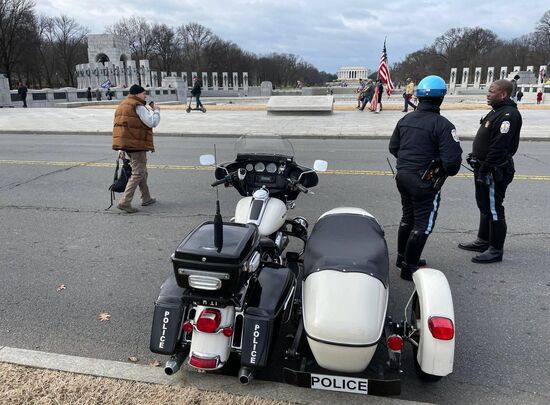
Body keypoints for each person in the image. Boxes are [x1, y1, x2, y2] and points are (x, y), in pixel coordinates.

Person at [389, 75, 462, 280]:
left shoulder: (405, 119)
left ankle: (402, 257)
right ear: (441, 98)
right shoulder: (443, 125)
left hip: (403, 176)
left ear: (418, 96)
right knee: (423, 224)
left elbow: (393, 147)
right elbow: (452, 164)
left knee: (407, 217)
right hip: (424, 181)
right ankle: (409, 267)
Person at [458, 79, 522, 263]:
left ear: (503, 94)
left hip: (495, 170)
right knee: (484, 205)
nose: (488, 94)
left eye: (492, 91)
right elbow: (487, 139)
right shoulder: (496, 111)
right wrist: (475, 156)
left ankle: (495, 249)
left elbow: (499, 147)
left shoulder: (509, 115)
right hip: (483, 166)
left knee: (494, 208)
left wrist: (485, 169)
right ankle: (483, 240)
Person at [112, 84, 160, 213]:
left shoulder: (123, 105)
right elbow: (152, 122)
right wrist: (156, 111)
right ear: (137, 94)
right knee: (138, 173)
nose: (145, 96)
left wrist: (121, 149)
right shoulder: (137, 105)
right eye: (144, 93)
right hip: (137, 144)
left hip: (128, 145)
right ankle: (125, 202)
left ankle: (146, 197)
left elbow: (122, 128)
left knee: (140, 171)